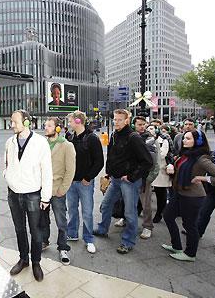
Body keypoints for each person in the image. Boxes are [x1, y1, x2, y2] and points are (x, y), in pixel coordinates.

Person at [162, 130, 215, 261]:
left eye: (188, 138)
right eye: (184, 138)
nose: (184, 140)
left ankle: (190, 254)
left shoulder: (202, 158)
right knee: (168, 216)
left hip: (193, 196)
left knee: (189, 225)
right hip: (179, 192)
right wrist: (171, 168)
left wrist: (203, 178)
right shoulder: (185, 154)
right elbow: (179, 170)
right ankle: (176, 246)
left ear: (197, 141)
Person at [93, 109, 153, 254]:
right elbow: (112, 156)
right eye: (115, 119)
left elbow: (147, 162)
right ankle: (102, 229)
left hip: (129, 182)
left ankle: (128, 241)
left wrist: (132, 176)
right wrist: (109, 173)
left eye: (119, 119)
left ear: (127, 120)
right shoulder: (114, 135)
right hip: (115, 179)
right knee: (106, 205)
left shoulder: (134, 137)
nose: (116, 122)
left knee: (130, 212)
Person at [4, 109, 52, 281]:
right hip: (13, 194)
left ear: (26, 122)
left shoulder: (40, 142)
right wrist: (7, 176)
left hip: (33, 194)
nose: (11, 125)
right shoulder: (10, 142)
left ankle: (36, 262)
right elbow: (7, 163)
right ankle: (23, 259)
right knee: (19, 229)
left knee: (36, 231)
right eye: (11, 121)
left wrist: (46, 197)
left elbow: (47, 171)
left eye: (14, 122)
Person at [66, 111, 104, 253]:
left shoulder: (92, 138)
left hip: (85, 183)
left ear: (77, 121)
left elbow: (99, 161)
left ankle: (89, 239)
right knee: (72, 209)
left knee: (87, 212)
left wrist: (88, 177)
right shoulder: (69, 137)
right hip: (70, 181)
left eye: (70, 121)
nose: (68, 124)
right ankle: (72, 233)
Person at [40, 117, 76, 265]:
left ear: (58, 128)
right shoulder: (41, 144)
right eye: (45, 125)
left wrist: (63, 189)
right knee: (42, 219)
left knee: (61, 221)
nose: (45, 128)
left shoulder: (66, 146)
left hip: (57, 190)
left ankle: (63, 247)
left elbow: (70, 170)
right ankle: (44, 240)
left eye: (49, 125)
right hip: (42, 190)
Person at [149, 125, 172, 223]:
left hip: (160, 170)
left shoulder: (163, 140)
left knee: (160, 193)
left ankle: (159, 213)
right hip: (149, 169)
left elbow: (162, 154)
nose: (149, 130)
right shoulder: (147, 139)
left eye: (152, 128)